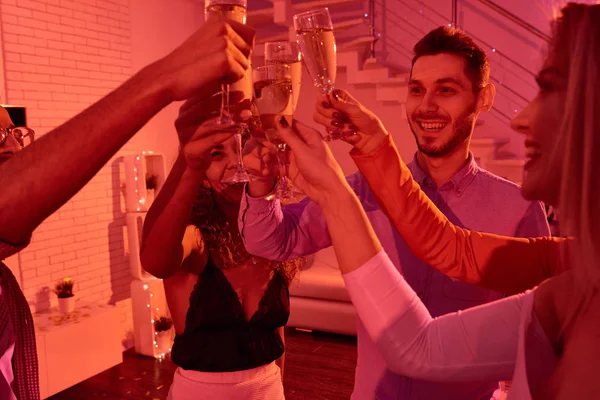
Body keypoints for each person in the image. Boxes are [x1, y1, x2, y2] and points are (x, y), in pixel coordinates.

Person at [274, 2, 600, 398]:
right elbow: (448, 252)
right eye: (416, 89)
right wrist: (364, 157)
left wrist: (338, 184)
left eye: (550, 86)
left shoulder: (535, 231)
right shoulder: (574, 273)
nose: (521, 119)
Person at [0, 17, 255, 400]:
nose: (10, 145)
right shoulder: (201, 234)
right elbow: (156, 257)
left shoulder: (269, 232)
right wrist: (163, 79)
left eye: (13, 132)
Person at [140, 93, 302, 399]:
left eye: (242, 146)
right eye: (216, 154)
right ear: (200, 171)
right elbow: (155, 261)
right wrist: (188, 163)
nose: (234, 164)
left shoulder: (273, 234)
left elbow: (276, 338)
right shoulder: (195, 237)